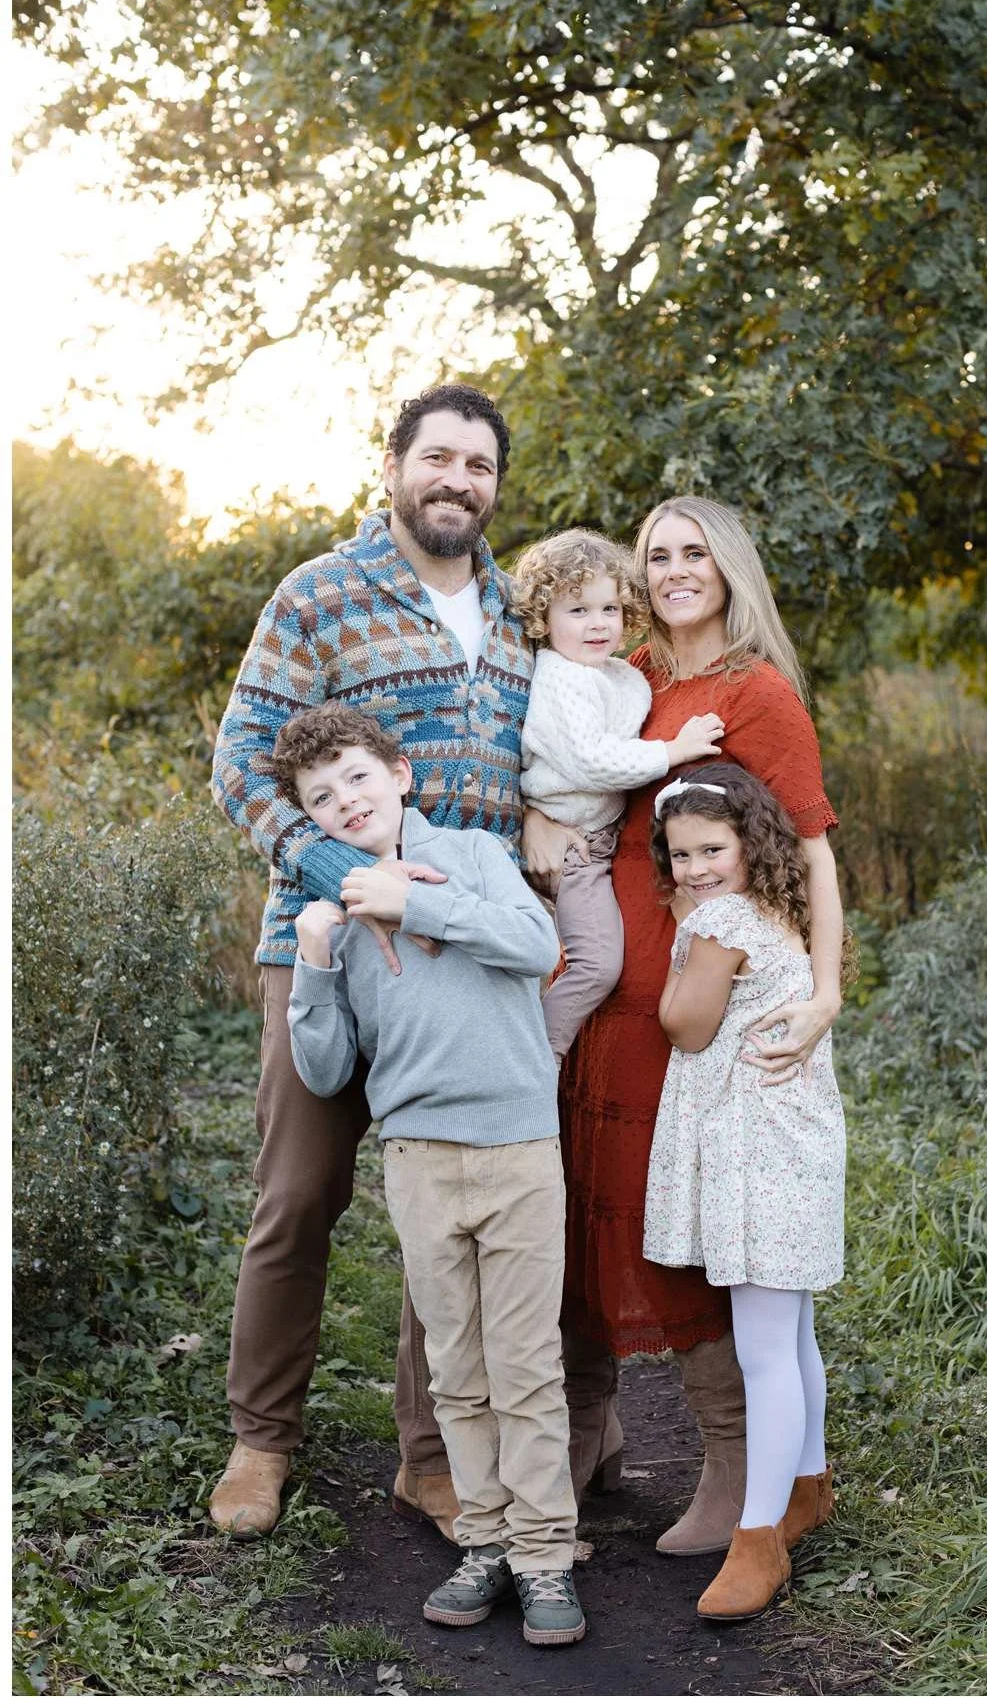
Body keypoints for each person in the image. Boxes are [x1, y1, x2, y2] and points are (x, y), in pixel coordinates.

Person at [208, 383, 531, 1543]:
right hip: (326, 943)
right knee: (298, 1192)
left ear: (495, 486)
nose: (457, 480)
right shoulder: (319, 594)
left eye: (479, 466)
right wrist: (332, 876)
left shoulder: (520, 611)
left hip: (463, 958)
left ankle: (431, 1454)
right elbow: (242, 759)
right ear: (394, 466)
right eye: (437, 457)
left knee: (442, 1203)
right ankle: (262, 1440)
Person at [524, 495, 844, 1558]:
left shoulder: (753, 690)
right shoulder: (631, 672)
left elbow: (813, 847)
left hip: (697, 996)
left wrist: (828, 990)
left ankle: (736, 1461)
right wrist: (540, 817)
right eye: (655, 554)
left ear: (729, 564)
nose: (670, 570)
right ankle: (582, 1435)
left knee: (698, 1226)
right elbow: (579, 768)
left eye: (691, 551)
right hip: (603, 975)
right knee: (597, 1205)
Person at [274, 702, 586, 1646]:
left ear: (401, 775)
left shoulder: (477, 857)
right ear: (314, 819)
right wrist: (317, 961)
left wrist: (417, 903)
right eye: (322, 798)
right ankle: (486, 1539)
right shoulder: (328, 915)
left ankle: (544, 1556)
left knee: (526, 1365)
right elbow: (329, 1069)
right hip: (418, 1160)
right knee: (457, 1367)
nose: (346, 802)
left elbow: (538, 950)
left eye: (359, 778)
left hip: (518, 1149)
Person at [644, 763, 848, 1619]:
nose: (693, 867)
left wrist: (682, 937)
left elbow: (684, 1027)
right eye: (680, 853)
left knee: (764, 1346)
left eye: (711, 848)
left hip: (758, 1152)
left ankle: (758, 1537)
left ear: (747, 844)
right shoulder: (781, 907)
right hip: (789, 1139)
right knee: (790, 1329)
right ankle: (807, 1483)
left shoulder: (720, 918)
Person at [511, 528, 725, 1062]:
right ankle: (540, 1058)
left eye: (609, 608)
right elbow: (592, 760)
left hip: (596, 838)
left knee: (554, 960)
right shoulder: (563, 679)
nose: (598, 623)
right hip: (573, 847)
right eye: (578, 611)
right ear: (543, 619)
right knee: (597, 963)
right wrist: (673, 751)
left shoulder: (614, 674)